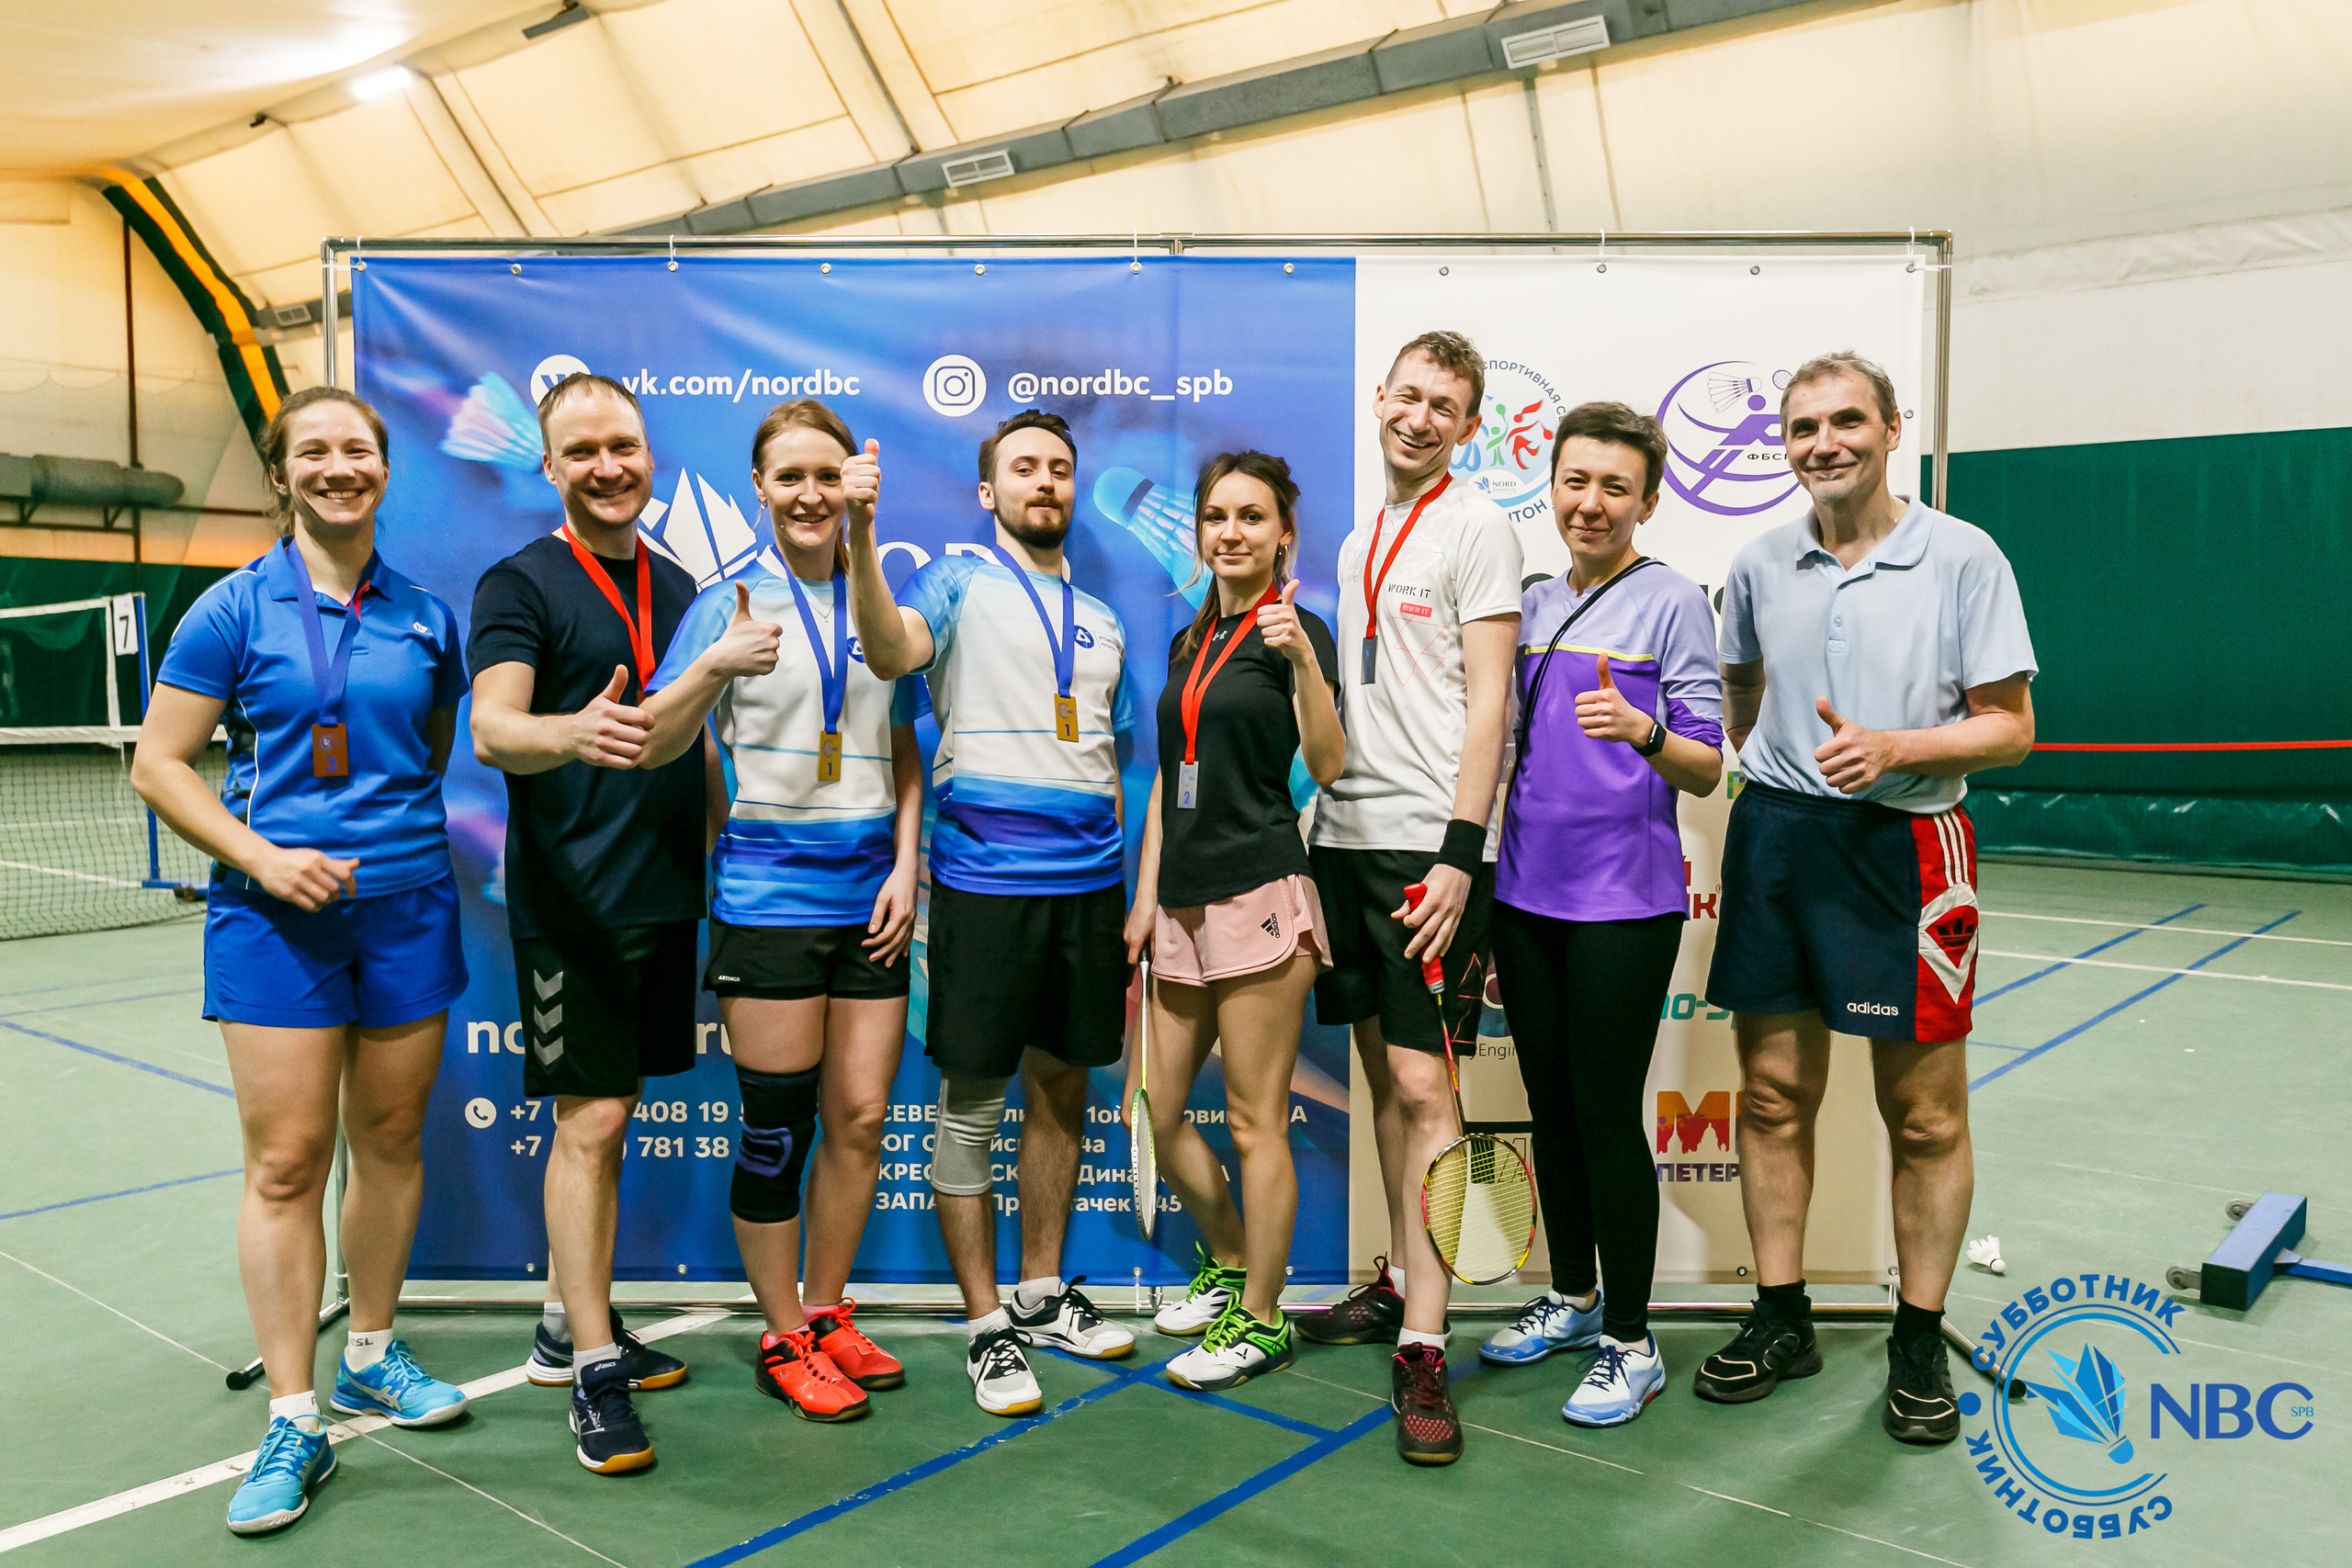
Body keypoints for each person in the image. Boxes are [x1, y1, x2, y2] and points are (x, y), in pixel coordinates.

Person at [132, 386, 471, 1536]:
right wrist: (268, 859)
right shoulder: (229, 611)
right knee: (286, 1162)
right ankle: (294, 1415)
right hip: (273, 919)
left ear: (385, 469)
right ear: (282, 475)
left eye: (359, 450)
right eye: (314, 452)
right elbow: (162, 764)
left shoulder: (426, 614)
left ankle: (371, 1350)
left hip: (410, 907)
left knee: (387, 1140)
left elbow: (426, 752)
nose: (339, 467)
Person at [1696, 351, 2035, 1447]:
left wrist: (1899, 745)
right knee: (1769, 1096)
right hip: (1778, 844)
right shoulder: (1758, 561)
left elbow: (2011, 726)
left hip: (1907, 849)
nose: (1823, 443)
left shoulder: (1964, 556)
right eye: (1801, 428)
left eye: (1846, 421)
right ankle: (1781, 1314)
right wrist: (1772, 749)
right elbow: (1740, 684)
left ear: (1892, 429)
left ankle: (1918, 1337)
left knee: (1926, 1115)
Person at [845, 409, 1139, 1417]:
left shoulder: (1103, 620)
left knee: (1063, 1092)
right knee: (971, 1106)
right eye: (1024, 468)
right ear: (989, 492)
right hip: (981, 894)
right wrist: (856, 533)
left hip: (1088, 895)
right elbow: (888, 653)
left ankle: (1043, 1291)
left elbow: (1117, 752)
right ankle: (985, 1328)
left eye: (1060, 468)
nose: (1046, 483)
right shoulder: (954, 580)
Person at [469, 373, 735, 1474]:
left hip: (666, 891)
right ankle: (588, 1366)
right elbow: (491, 728)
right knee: (591, 1125)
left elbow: (697, 733)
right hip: (573, 903)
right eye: (581, 452)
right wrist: (570, 731)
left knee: (613, 1117)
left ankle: (563, 1319)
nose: (607, 467)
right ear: (551, 468)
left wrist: (730, 847)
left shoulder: (677, 585)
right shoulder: (518, 581)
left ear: (648, 455)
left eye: (621, 446)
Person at [636, 400, 922, 1423]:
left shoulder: (881, 596)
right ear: (759, 488)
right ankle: (782, 1331)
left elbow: (901, 741)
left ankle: (828, 1307)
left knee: (860, 1115)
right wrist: (712, 664)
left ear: (853, 485)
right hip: (768, 903)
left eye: (827, 476)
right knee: (776, 1129)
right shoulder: (724, 604)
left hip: (873, 901)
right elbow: (662, 744)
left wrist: (906, 865)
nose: (810, 495)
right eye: (789, 477)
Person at [1296, 331, 1522, 1467]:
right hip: (1343, 839)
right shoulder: (1357, 537)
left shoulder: (1479, 525)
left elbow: (1490, 706)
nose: (1421, 418)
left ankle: (1427, 1348)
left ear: (1469, 427)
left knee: (1430, 1091)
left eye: (1446, 407)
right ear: (1378, 399)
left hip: (1426, 856)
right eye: (1409, 397)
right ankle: (1395, 1281)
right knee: (1387, 1077)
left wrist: (1458, 853)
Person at [1477, 404, 1724, 1427]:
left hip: (1623, 902)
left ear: (1646, 502)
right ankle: (1572, 1299)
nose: (1590, 503)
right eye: (1575, 482)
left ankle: (1632, 1337)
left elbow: (1708, 765)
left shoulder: (1671, 604)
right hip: (1522, 898)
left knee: (1605, 1114)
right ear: (1551, 485)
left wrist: (1643, 726)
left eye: (1613, 487)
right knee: (1550, 1107)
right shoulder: (1527, 602)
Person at [1120, 451, 1345, 1393]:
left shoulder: (1299, 632)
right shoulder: (1186, 640)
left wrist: (1299, 661)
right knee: (1156, 1110)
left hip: (1259, 895)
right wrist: (1143, 898)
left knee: (1255, 1123)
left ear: (1281, 532)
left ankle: (1263, 1316)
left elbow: (1328, 764)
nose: (1230, 532)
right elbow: (1173, 780)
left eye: (1252, 517)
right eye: (1217, 516)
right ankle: (1225, 1262)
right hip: (1178, 902)